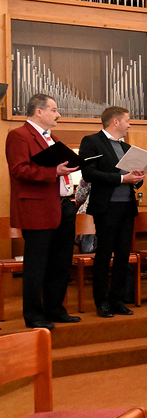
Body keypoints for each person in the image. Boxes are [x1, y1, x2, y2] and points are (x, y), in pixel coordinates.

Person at [5, 94, 80, 329]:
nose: (58, 115)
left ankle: (55, 309)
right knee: (37, 265)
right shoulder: (18, 135)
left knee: (60, 262)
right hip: (37, 207)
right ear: (39, 111)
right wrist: (53, 172)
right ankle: (34, 315)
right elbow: (19, 170)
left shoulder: (52, 138)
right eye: (54, 110)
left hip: (63, 205)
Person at [80, 106, 145, 318]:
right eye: (127, 120)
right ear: (115, 122)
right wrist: (122, 178)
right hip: (106, 207)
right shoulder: (92, 141)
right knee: (104, 253)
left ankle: (117, 299)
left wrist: (137, 178)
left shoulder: (126, 147)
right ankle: (102, 301)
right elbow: (89, 173)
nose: (129, 125)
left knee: (123, 255)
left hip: (127, 206)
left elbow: (132, 179)